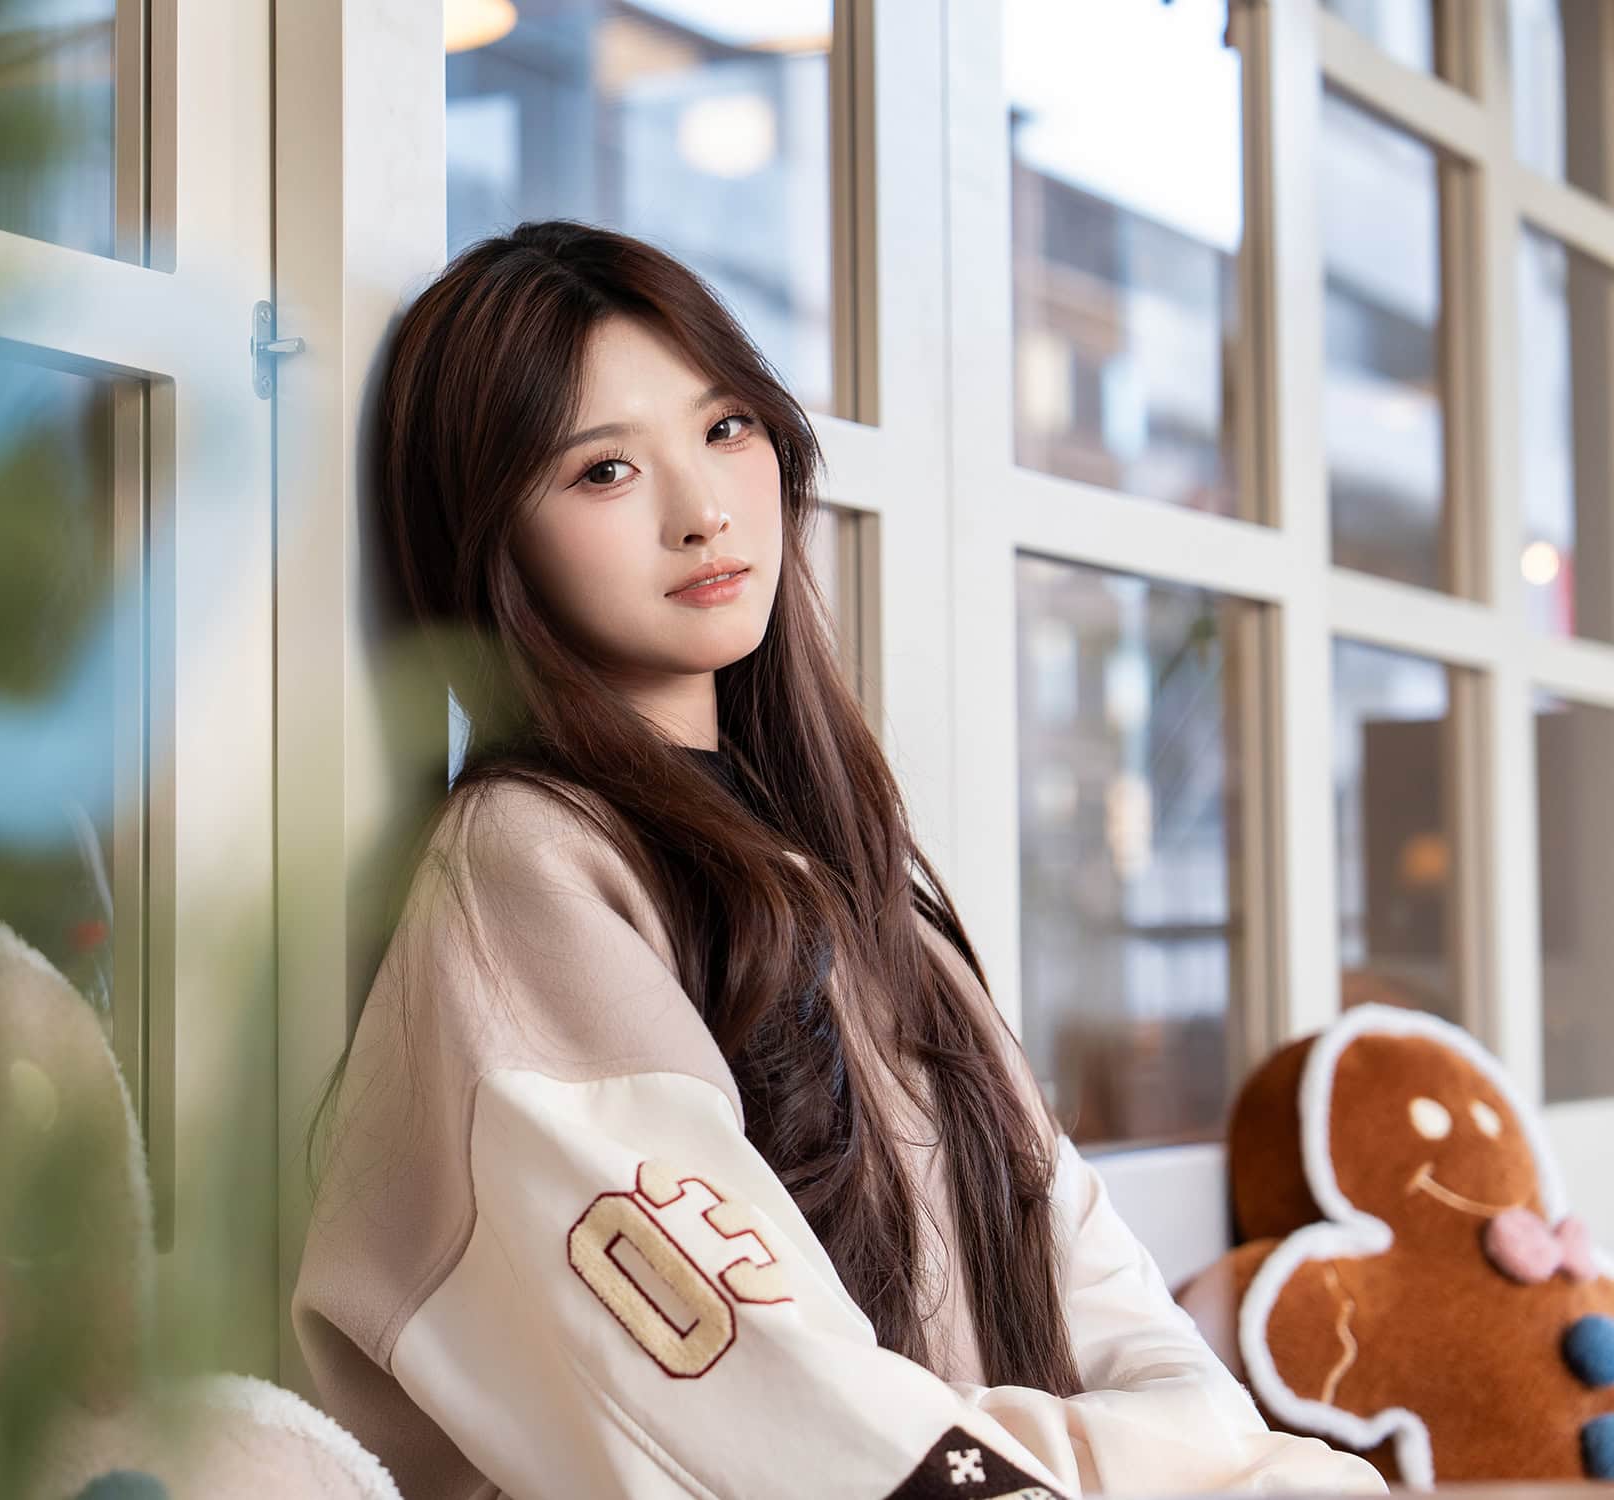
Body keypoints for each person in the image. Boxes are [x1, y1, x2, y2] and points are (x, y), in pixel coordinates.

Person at [290, 219, 1388, 1500]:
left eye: (723, 428)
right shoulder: (525, 868)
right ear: (494, 541)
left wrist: (1228, 1461)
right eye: (600, 471)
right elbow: (759, 1408)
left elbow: (1100, 1286)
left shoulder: (845, 869)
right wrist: (1206, 1471)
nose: (702, 512)